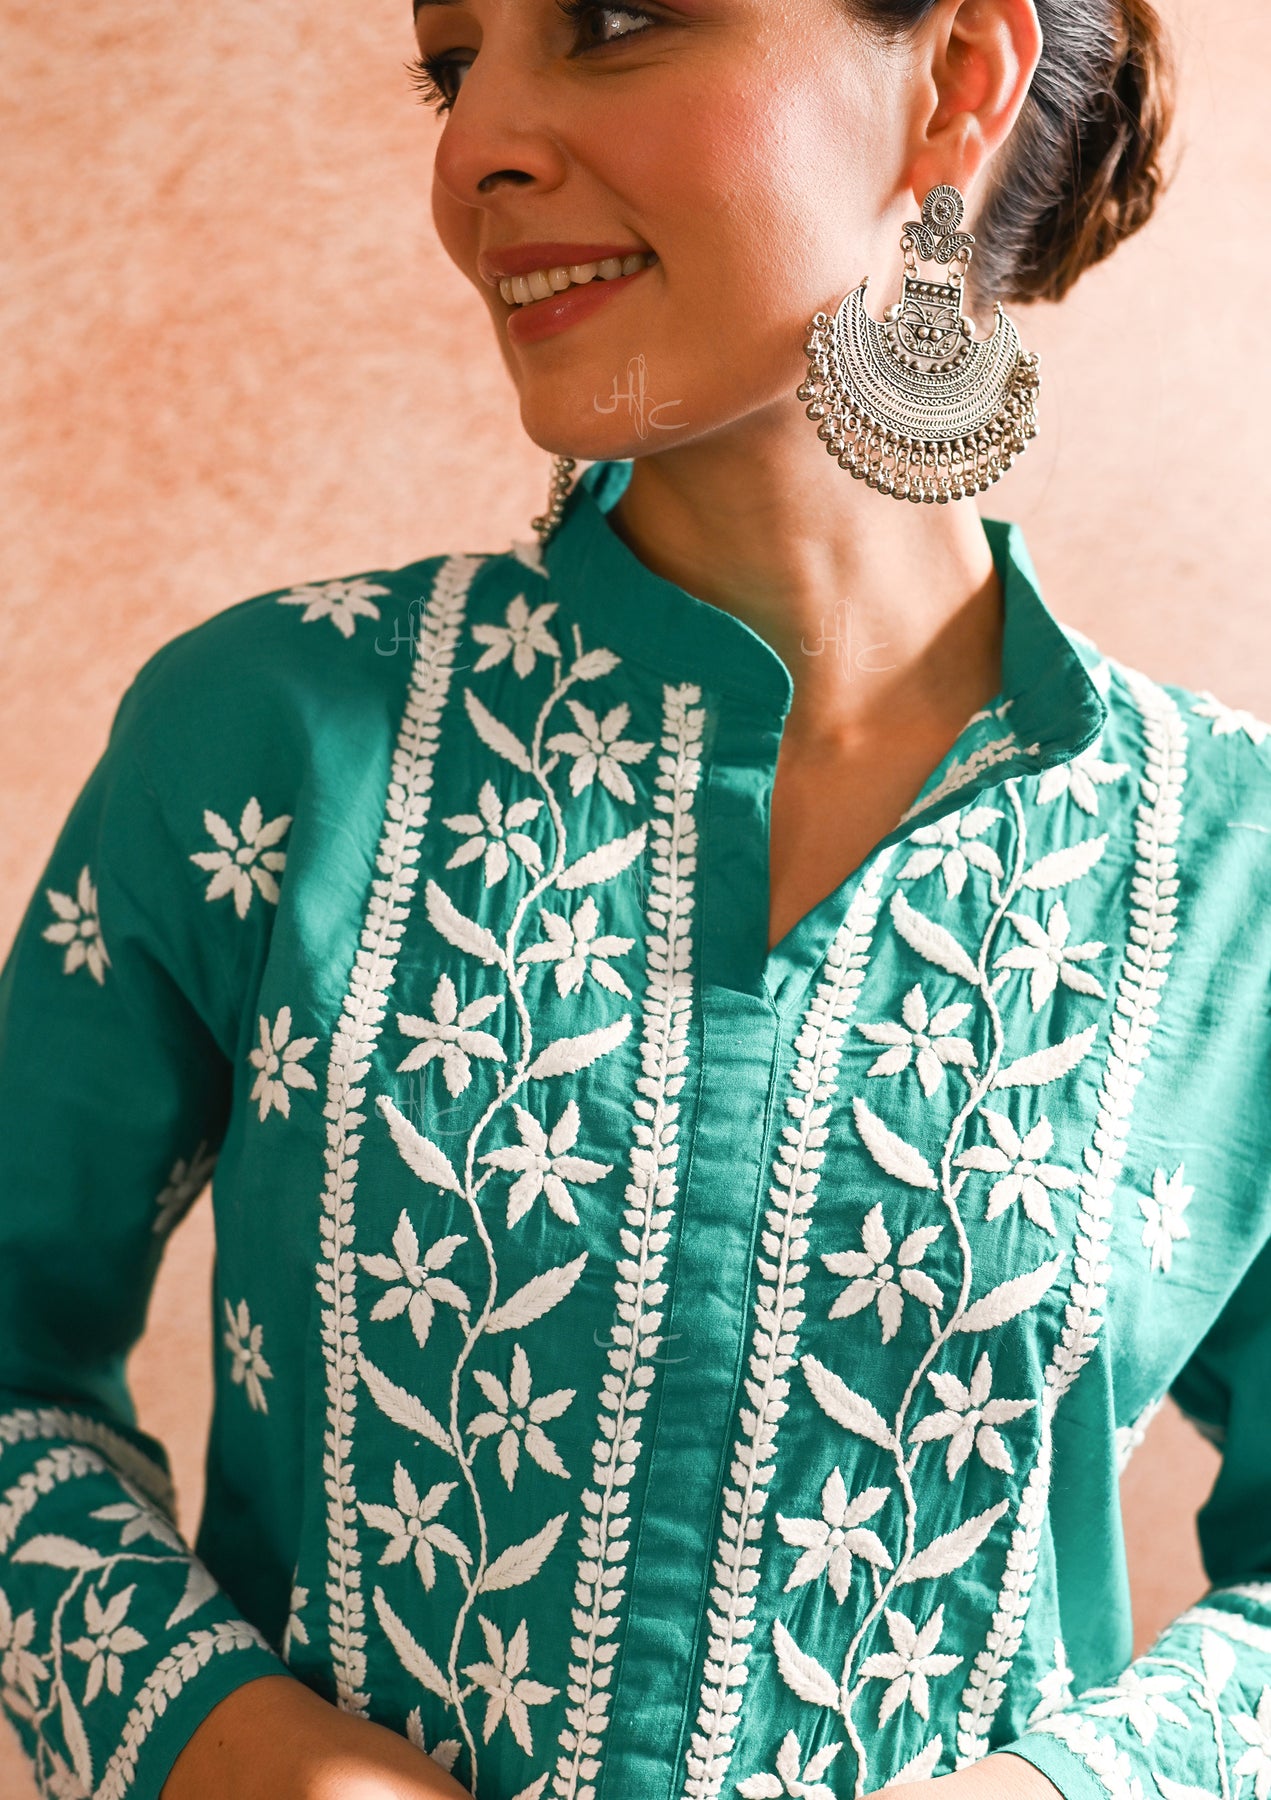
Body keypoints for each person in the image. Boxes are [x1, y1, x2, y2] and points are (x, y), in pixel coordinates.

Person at [5, 1, 1269, 1797]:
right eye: (453, 68)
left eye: (610, 20)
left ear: (956, 79)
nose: (472, 152)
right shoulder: (270, 739)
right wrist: (249, 1754)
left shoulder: (1232, 872)